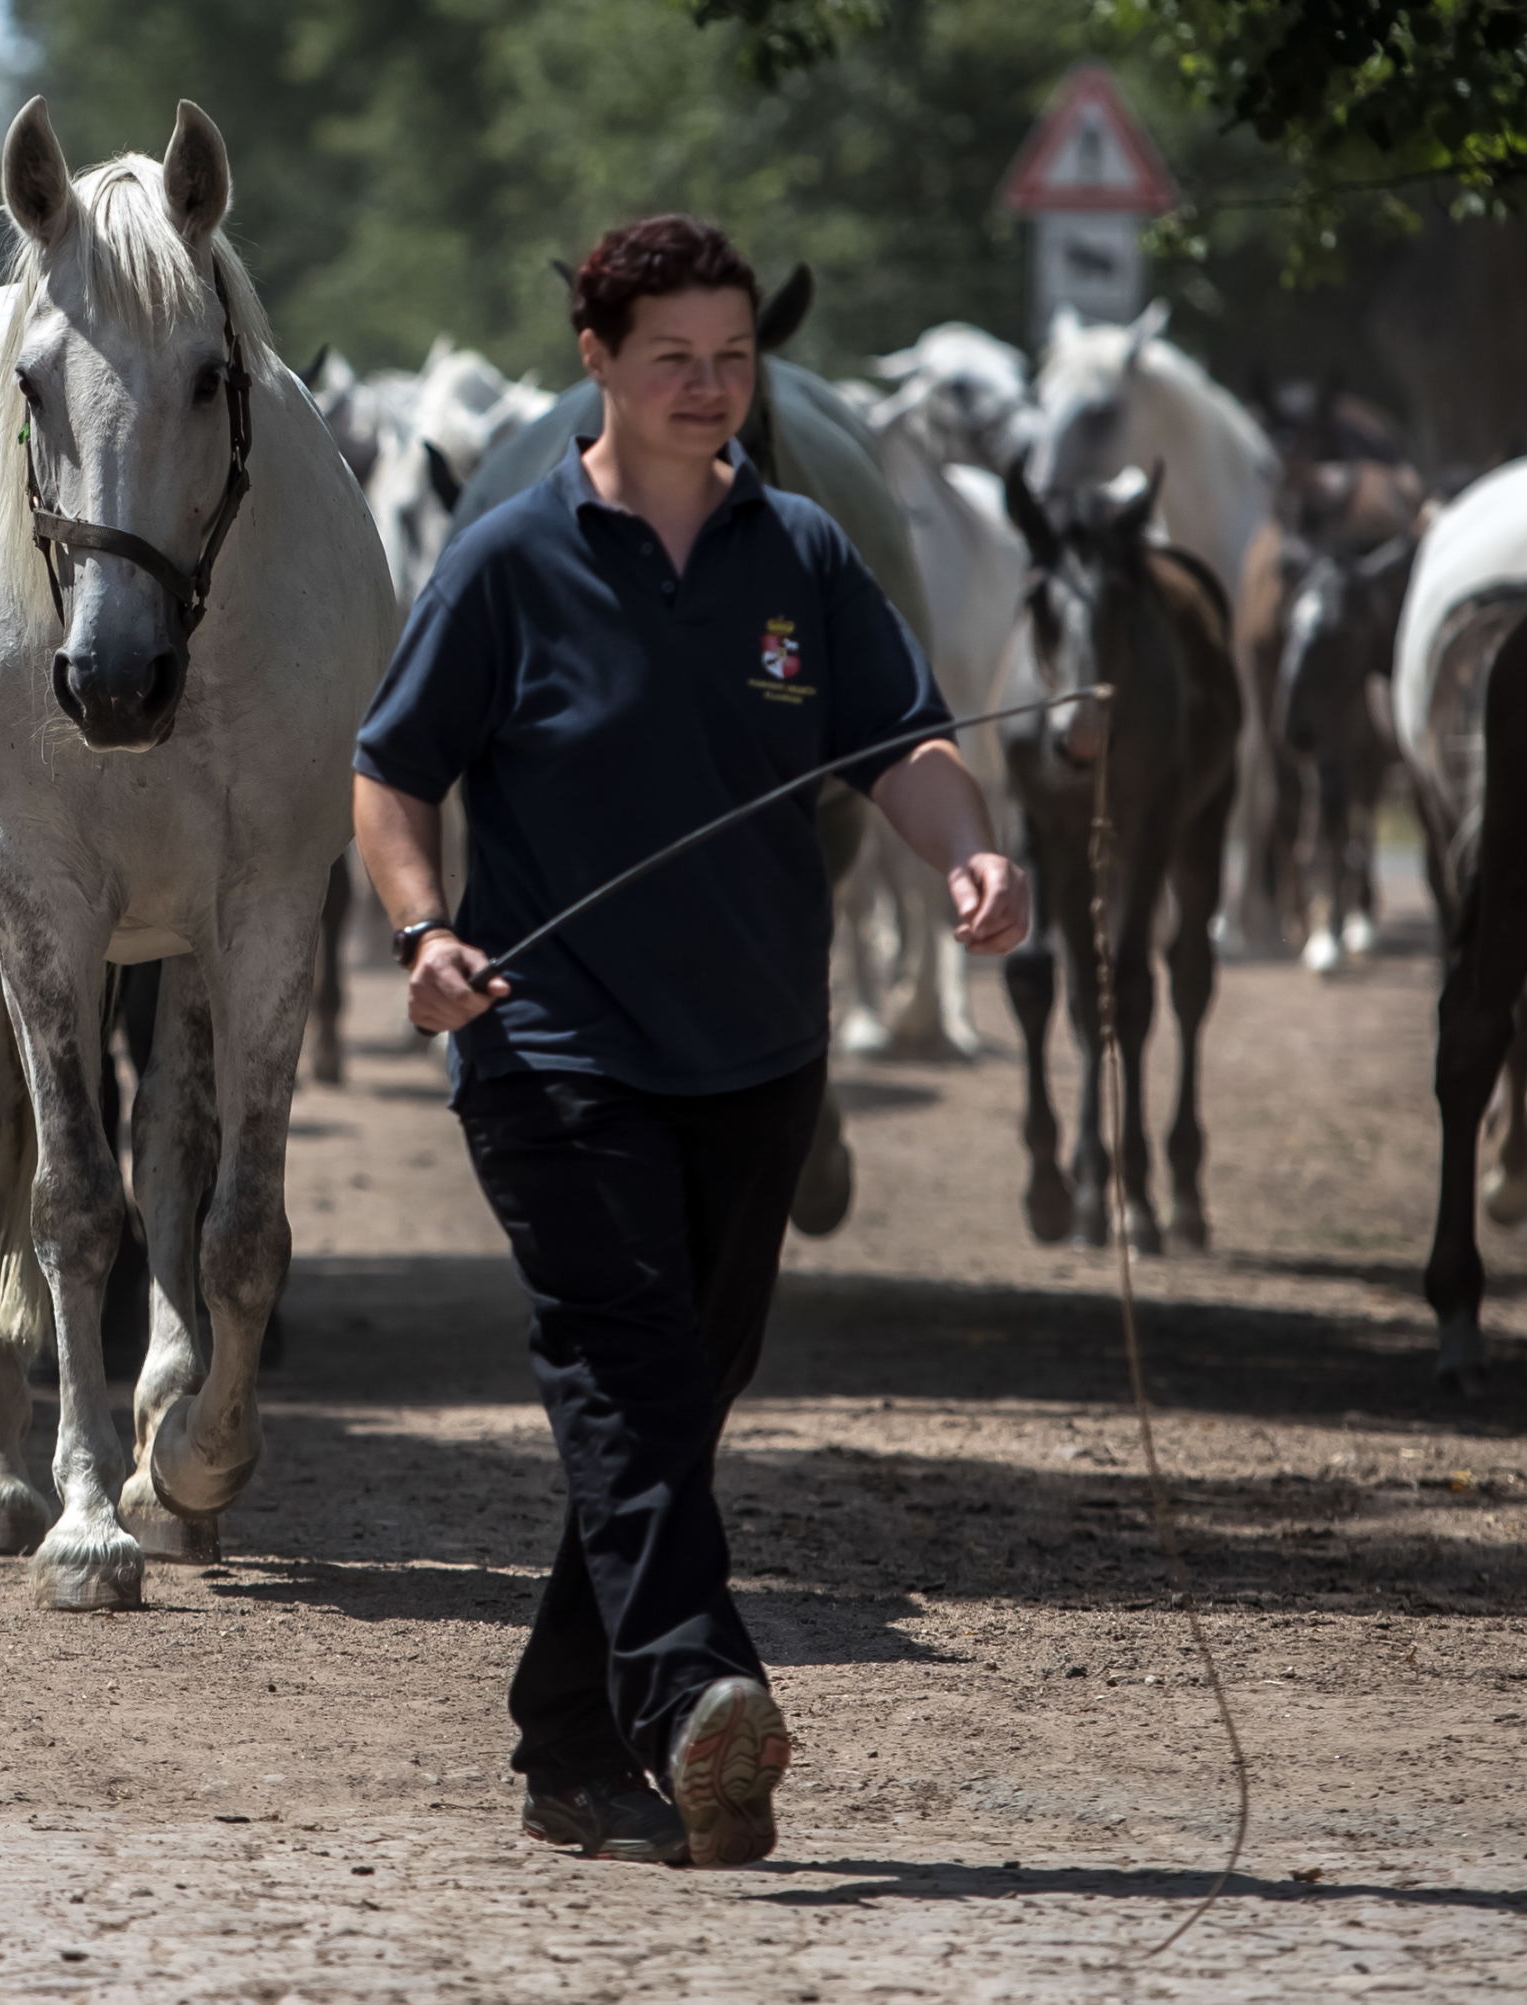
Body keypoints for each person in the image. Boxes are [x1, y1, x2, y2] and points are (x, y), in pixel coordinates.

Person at [351, 215, 1029, 1869]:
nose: (709, 387)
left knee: (680, 1392)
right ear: (598, 358)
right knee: (628, 1366)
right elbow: (391, 773)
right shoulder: (508, 561)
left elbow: (905, 738)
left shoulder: (800, 552)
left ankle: (567, 1743)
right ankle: (700, 1690)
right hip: (553, 1049)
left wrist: (966, 844)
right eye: (674, 359)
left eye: (733, 360)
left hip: (758, 1052)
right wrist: (421, 934)